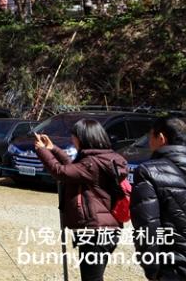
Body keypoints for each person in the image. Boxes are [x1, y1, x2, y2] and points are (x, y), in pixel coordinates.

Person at [35, 119, 128, 281]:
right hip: (106, 228)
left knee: (91, 278)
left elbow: (61, 172)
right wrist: (53, 149)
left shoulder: (91, 163)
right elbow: (74, 169)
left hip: (95, 231)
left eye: (74, 136)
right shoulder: (103, 158)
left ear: (84, 138)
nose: (73, 140)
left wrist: (42, 151)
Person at [131, 116, 186, 280]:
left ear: (161, 138)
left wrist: (152, 270)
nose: (149, 142)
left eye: (151, 136)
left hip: (176, 267)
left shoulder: (148, 172)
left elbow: (147, 227)